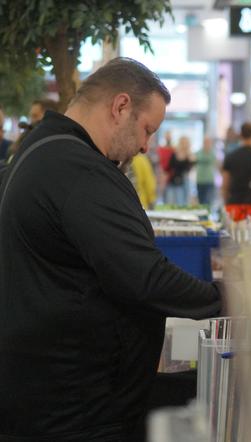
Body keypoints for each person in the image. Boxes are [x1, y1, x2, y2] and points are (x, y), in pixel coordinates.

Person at [0, 57, 224, 440]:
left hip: (45, 393)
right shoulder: (78, 169)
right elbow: (143, 275)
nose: (145, 145)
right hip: (74, 407)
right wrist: (224, 299)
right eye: (146, 129)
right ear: (121, 107)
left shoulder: (37, 151)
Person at [166, 135, 196, 206]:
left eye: (185, 142)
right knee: (170, 202)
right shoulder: (174, 153)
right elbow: (169, 167)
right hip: (173, 180)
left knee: (182, 203)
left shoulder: (190, 155)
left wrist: (188, 154)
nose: (184, 144)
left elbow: (192, 166)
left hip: (184, 181)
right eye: (182, 142)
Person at [196, 136, 218, 207]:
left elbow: (215, 162)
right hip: (200, 180)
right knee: (201, 201)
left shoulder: (213, 153)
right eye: (205, 142)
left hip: (209, 180)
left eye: (208, 142)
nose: (206, 144)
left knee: (208, 201)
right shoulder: (198, 152)